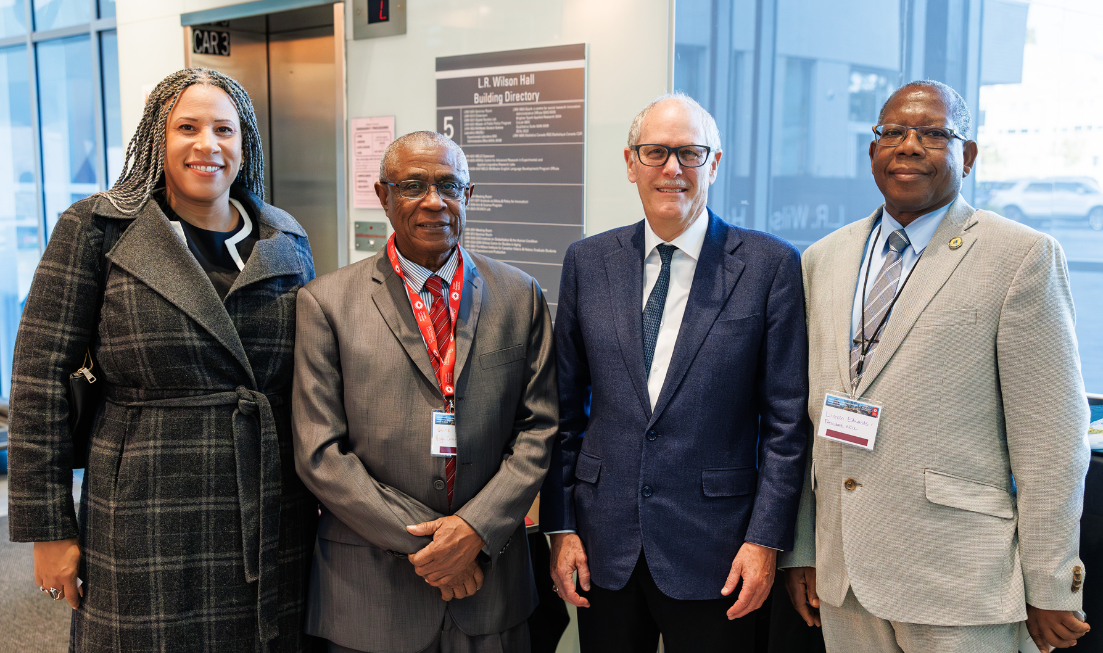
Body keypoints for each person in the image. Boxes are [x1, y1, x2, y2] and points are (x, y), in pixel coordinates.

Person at [7, 68, 319, 651]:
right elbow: (38, 377)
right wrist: (48, 528)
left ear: (244, 142)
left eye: (224, 129)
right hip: (143, 503)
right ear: (158, 138)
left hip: (270, 501)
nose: (208, 144)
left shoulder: (284, 236)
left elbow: (316, 373)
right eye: (188, 127)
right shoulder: (98, 227)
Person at [781, 80, 1092, 652]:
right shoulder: (823, 258)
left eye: (933, 134)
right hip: (845, 576)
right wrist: (805, 548)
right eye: (892, 132)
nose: (908, 145)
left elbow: (1051, 438)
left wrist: (1051, 581)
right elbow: (809, 419)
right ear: (872, 149)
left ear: (967, 155)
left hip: (959, 578)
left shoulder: (1021, 257)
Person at [540, 93, 809, 651]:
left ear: (713, 164)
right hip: (602, 544)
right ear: (630, 162)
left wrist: (765, 541)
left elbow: (787, 423)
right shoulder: (588, 262)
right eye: (656, 152)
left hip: (719, 550)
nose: (671, 169)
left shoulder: (768, 265)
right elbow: (563, 409)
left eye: (689, 153)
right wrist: (561, 527)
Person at [292, 130, 557, 653]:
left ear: (469, 196)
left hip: (491, 594)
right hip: (369, 595)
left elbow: (539, 429)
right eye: (412, 185)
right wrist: (437, 546)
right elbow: (319, 452)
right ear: (383, 195)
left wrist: (475, 532)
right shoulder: (326, 303)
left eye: (448, 185)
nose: (434, 201)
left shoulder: (520, 295)